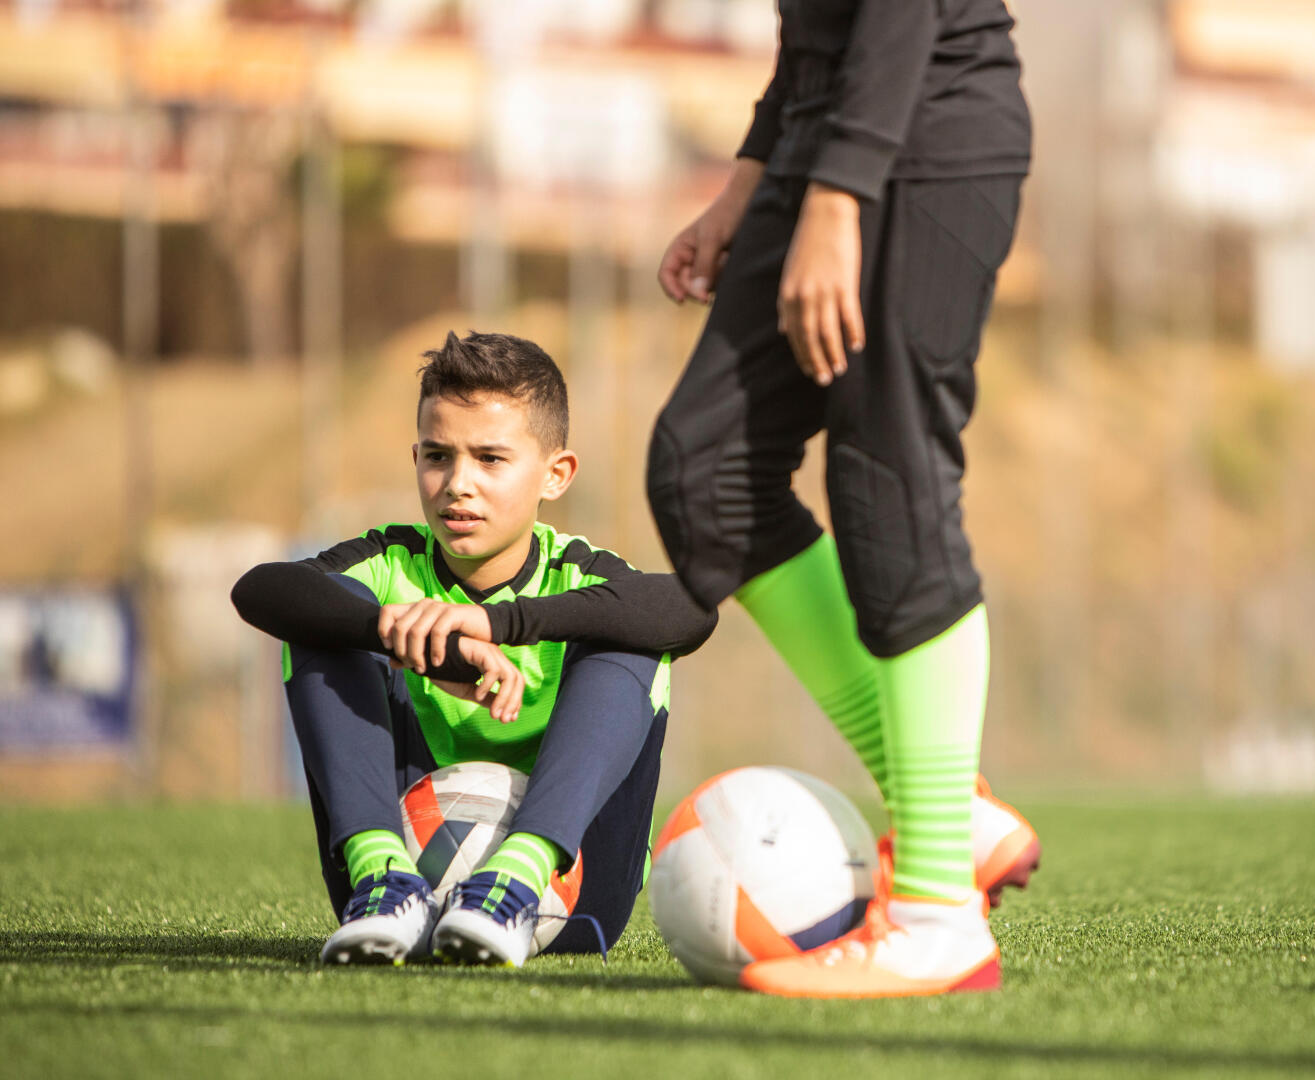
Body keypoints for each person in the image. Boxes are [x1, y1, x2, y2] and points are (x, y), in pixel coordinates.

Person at [646, 0, 1038, 997]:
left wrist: (841, 194)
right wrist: (752, 178)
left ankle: (938, 916)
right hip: (819, 141)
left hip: (922, 136)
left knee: (890, 483)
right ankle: (953, 807)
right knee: (707, 471)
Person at [233, 331, 716, 967]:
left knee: (630, 644)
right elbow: (261, 590)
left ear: (555, 474)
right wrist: (424, 644)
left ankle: (517, 877)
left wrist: (499, 626)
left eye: (490, 459)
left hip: (575, 896)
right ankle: (382, 880)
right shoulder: (390, 560)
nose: (458, 483)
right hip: (398, 878)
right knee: (323, 622)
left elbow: (691, 610)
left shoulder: (581, 573)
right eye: (438, 456)